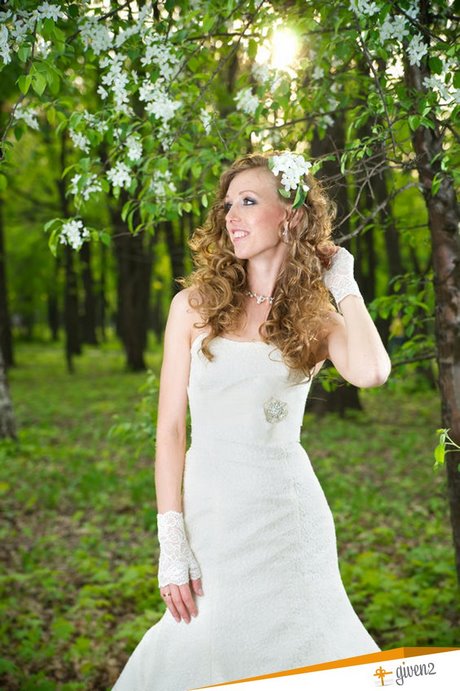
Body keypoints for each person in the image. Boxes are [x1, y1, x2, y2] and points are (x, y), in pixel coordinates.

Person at [112, 151, 392, 691]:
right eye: (227, 205)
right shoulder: (192, 305)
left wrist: (345, 283)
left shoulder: (315, 318)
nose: (230, 216)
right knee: (201, 640)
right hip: (211, 516)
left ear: (291, 214)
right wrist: (171, 541)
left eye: (248, 201)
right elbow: (170, 430)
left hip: (288, 521)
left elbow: (374, 372)